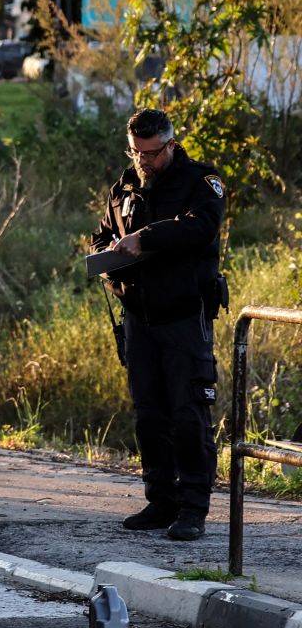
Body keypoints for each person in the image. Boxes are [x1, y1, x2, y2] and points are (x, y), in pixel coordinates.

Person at [92, 107, 226, 542]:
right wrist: (109, 252)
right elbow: (101, 234)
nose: (142, 162)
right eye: (135, 153)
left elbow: (201, 228)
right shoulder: (125, 186)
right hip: (139, 317)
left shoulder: (200, 182)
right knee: (149, 413)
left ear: (170, 144)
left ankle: (192, 508)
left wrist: (144, 238)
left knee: (188, 412)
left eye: (150, 153)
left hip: (184, 316)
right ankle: (160, 499)